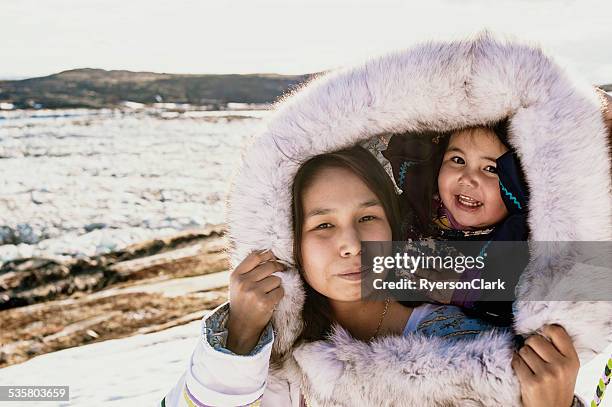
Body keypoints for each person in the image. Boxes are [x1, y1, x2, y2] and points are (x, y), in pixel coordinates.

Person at [162, 145, 581, 407]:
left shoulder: (473, 346)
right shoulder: (275, 366)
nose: (351, 243)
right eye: (323, 225)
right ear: (292, 244)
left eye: (367, 216)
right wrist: (238, 335)